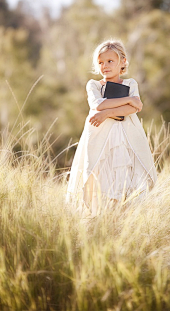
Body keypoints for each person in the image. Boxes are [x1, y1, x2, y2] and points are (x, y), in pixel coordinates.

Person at [65, 39, 157, 216]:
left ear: (122, 61)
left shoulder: (130, 84)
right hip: (102, 140)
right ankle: (100, 218)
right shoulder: (94, 85)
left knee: (126, 177)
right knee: (101, 177)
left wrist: (107, 113)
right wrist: (128, 100)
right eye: (100, 62)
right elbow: (98, 104)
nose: (104, 66)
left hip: (126, 139)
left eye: (110, 61)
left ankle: (127, 218)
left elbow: (134, 108)